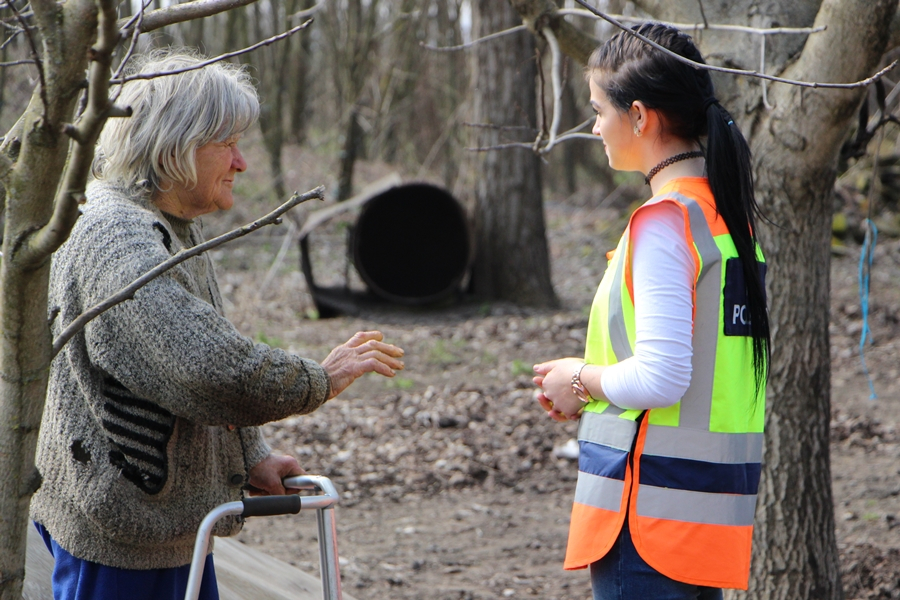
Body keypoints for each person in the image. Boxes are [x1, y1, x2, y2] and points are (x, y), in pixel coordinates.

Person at [31, 50, 404, 600]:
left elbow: (174, 379)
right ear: (175, 146)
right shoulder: (120, 237)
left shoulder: (169, 226)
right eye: (227, 145)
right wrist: (318, 378)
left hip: (166, 527)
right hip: (122, 538)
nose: (242, 163)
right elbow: (207, 369)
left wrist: (249, 458)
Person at [532, 24, 770, 600]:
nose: (594, 128)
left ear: (639, 117)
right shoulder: (724, 224)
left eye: (598, 111)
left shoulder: (665, 223)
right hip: (700, 521)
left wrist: (580, 380)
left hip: (644, 525)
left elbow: (663, 376)